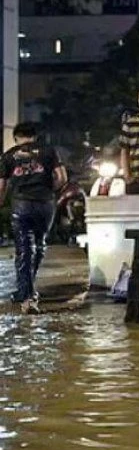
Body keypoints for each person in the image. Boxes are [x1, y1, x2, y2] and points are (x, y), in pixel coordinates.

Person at [0, 123, 67, 314]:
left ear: (16, 137)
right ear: (35, 136)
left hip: (21, 204)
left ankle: (28, 297)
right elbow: (62, 177)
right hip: (45, 204)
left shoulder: (8, 155)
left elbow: (1, 187)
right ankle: (24, 290)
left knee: (24, 249)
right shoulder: (49, 151)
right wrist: (50, 191)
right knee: (39, 245)